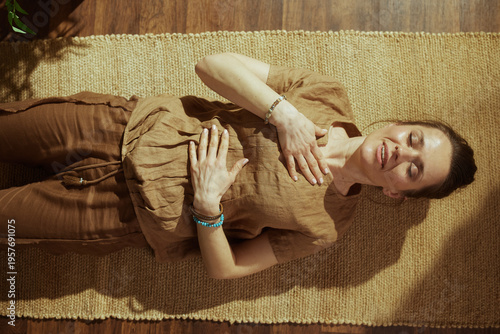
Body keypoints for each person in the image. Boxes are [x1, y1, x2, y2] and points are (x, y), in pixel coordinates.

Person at [0, 53, 476, 279]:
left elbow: (226, 270)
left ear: (396, 193)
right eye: (413, 139)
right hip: (126, 128)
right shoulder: (324, 95)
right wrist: (283, 114)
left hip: (126, 216)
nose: (402, 153)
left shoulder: (325, 226)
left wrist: (208, 209)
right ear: (396, 124)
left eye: (414, 170)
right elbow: (210, 65)